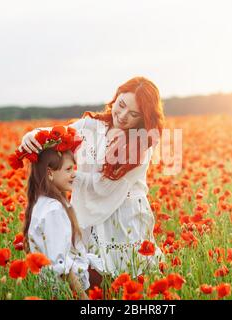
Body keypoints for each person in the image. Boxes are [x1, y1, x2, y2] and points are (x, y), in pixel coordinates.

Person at [19, 76, 165, 280]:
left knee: (125, 279)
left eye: (133, 114)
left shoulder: (140, 146)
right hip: (92, 209)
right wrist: (34, 136)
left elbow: (104, 188)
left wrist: (66, 175)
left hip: (123, 216)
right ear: (116, 96)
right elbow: (60, 133)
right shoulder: (94, 125)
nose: (122, 116)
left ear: (143, 119)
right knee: (94, 277)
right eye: (121, 105)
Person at [18, 125, 104, 299]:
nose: (74, 174)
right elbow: (62, 266)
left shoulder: (42, 203)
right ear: (49, 173)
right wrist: (83, 298)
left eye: (74, 168)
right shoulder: (54, 210)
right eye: (68, 169)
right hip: (64, 292)